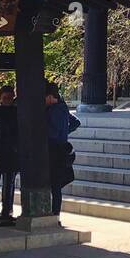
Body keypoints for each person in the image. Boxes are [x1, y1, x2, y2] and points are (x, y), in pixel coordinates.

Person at [45, 83, 78, 216]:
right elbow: (76, 122)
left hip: (54, 150)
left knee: (54, 184)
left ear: (50, 97)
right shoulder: (63, 108)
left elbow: (52, 132)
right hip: (61, 148)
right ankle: (55, 213)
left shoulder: (54, 110)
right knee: (56, 185)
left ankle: (55, 212)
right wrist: (65, 133)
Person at [0, 84, 19, 219]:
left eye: (10, 97)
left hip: (11, 151)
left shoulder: (17, 111)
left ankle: (7, 210)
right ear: (0, 98)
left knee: (9, 183)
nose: (8, 100)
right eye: (5, 98)